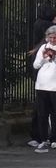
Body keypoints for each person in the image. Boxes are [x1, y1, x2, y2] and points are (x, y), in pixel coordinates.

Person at [29, 25, 56, 153]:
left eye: (55, 37)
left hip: (54, 86)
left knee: (54, 113)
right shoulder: (42, 48)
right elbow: (35, 65)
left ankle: (54, 138)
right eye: (50, 37)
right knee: (42, 113)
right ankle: (43, 139)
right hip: (42, 85)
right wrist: (44, 58)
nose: (52, 40)